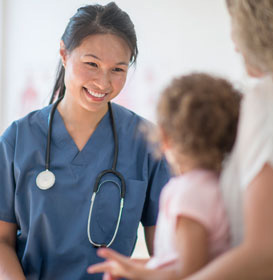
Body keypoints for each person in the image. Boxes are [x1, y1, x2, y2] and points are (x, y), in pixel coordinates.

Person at [89, 1, 273, 279]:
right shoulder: (212, 186)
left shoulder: (266, 101)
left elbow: (197, 266)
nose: (236, 46)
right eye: (92, 63)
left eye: (118, 68)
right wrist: (145, 269)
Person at [0, 2, 170, 279]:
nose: (103, 83)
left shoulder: (146, 143)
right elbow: (2, 241)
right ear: (64, 54)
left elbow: (164, 252)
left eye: (118, 69)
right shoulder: (18, 140)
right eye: (91, 64)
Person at [87, 73, 241, 279]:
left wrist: (141, 275)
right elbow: (181, 260)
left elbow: (190, 273)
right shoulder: (222, 185)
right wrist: (134, 266)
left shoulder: (189, 194)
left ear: (164, 137)